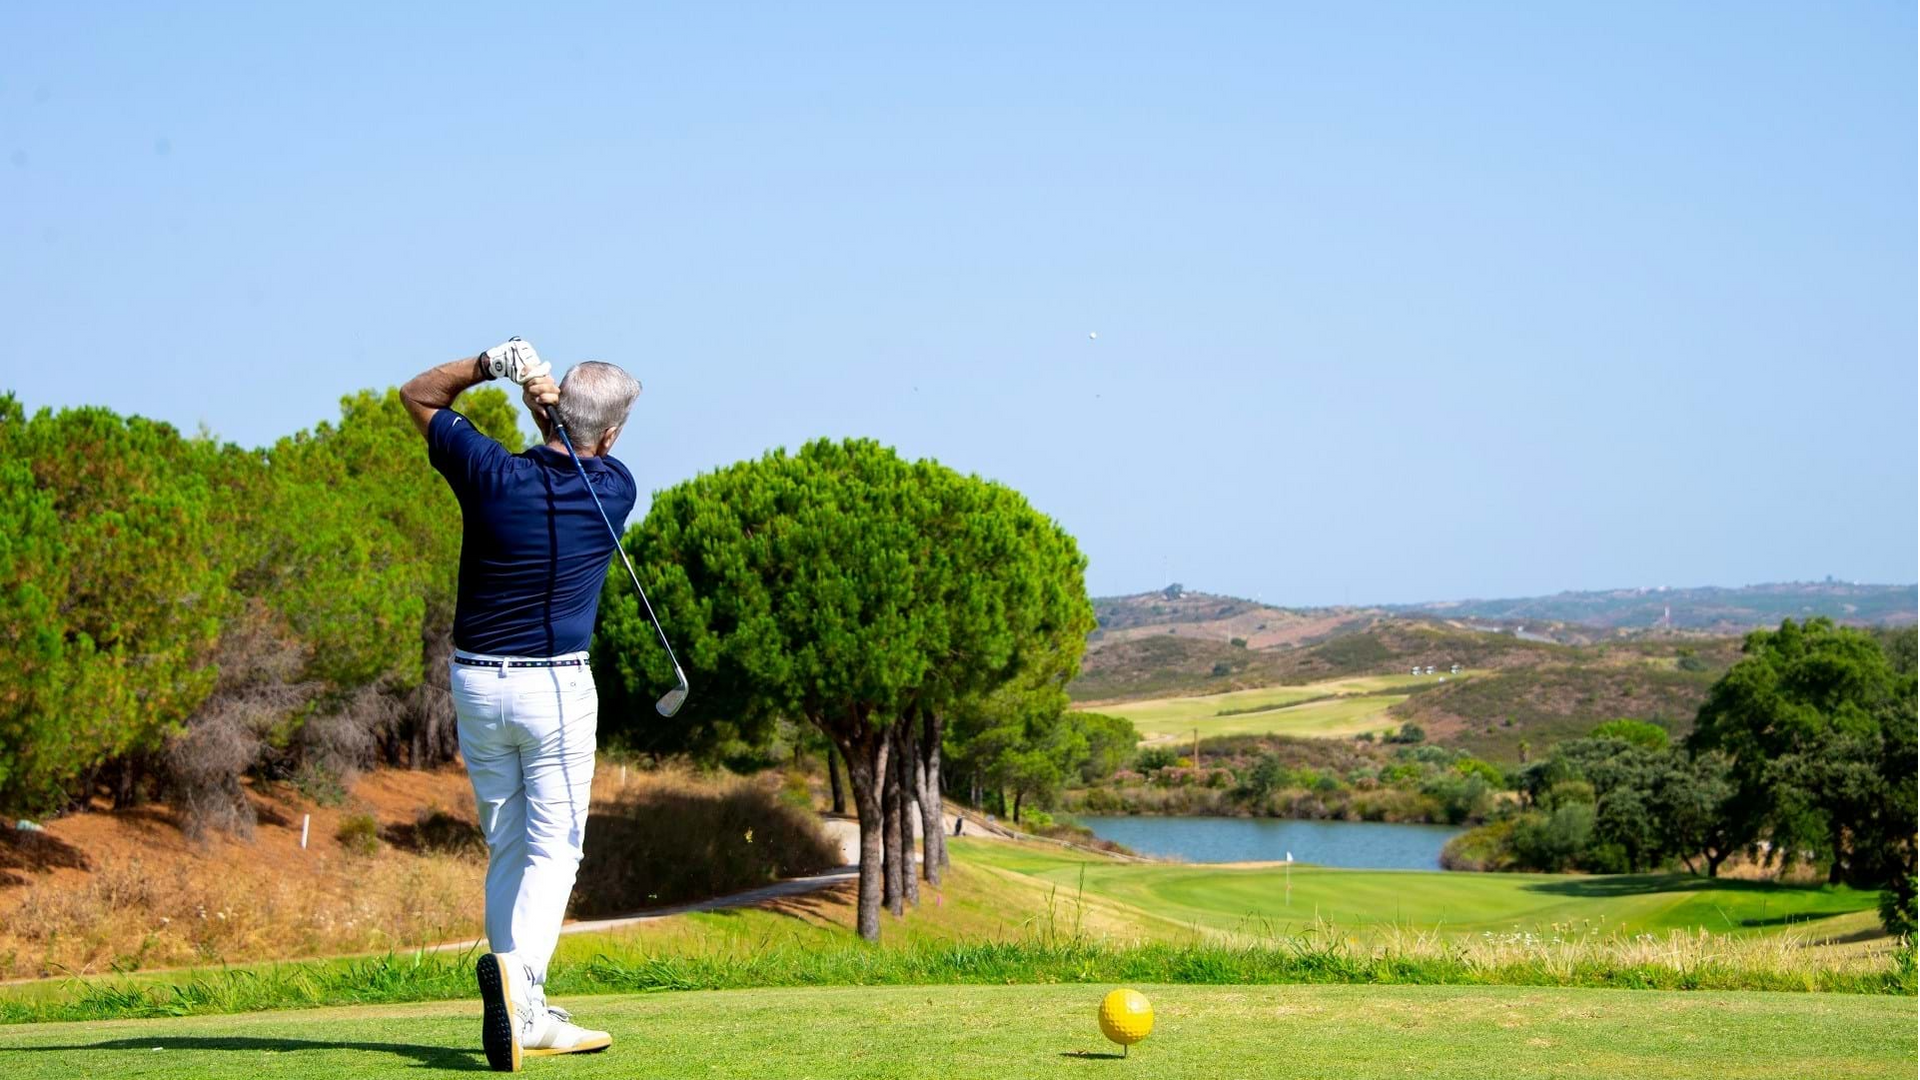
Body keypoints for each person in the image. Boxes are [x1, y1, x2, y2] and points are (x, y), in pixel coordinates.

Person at [400, 339, 642, 1072]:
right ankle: (523, 990)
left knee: (510, 845)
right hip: (556, 690)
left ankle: (524, 1011)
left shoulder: (490, 474)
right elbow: (581, 450)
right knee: (556, 848)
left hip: (476, 684)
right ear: (611, 435)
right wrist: (549, 412)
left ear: (548, 411)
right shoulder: (618, 487)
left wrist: (489, 367)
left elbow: (418, 395)